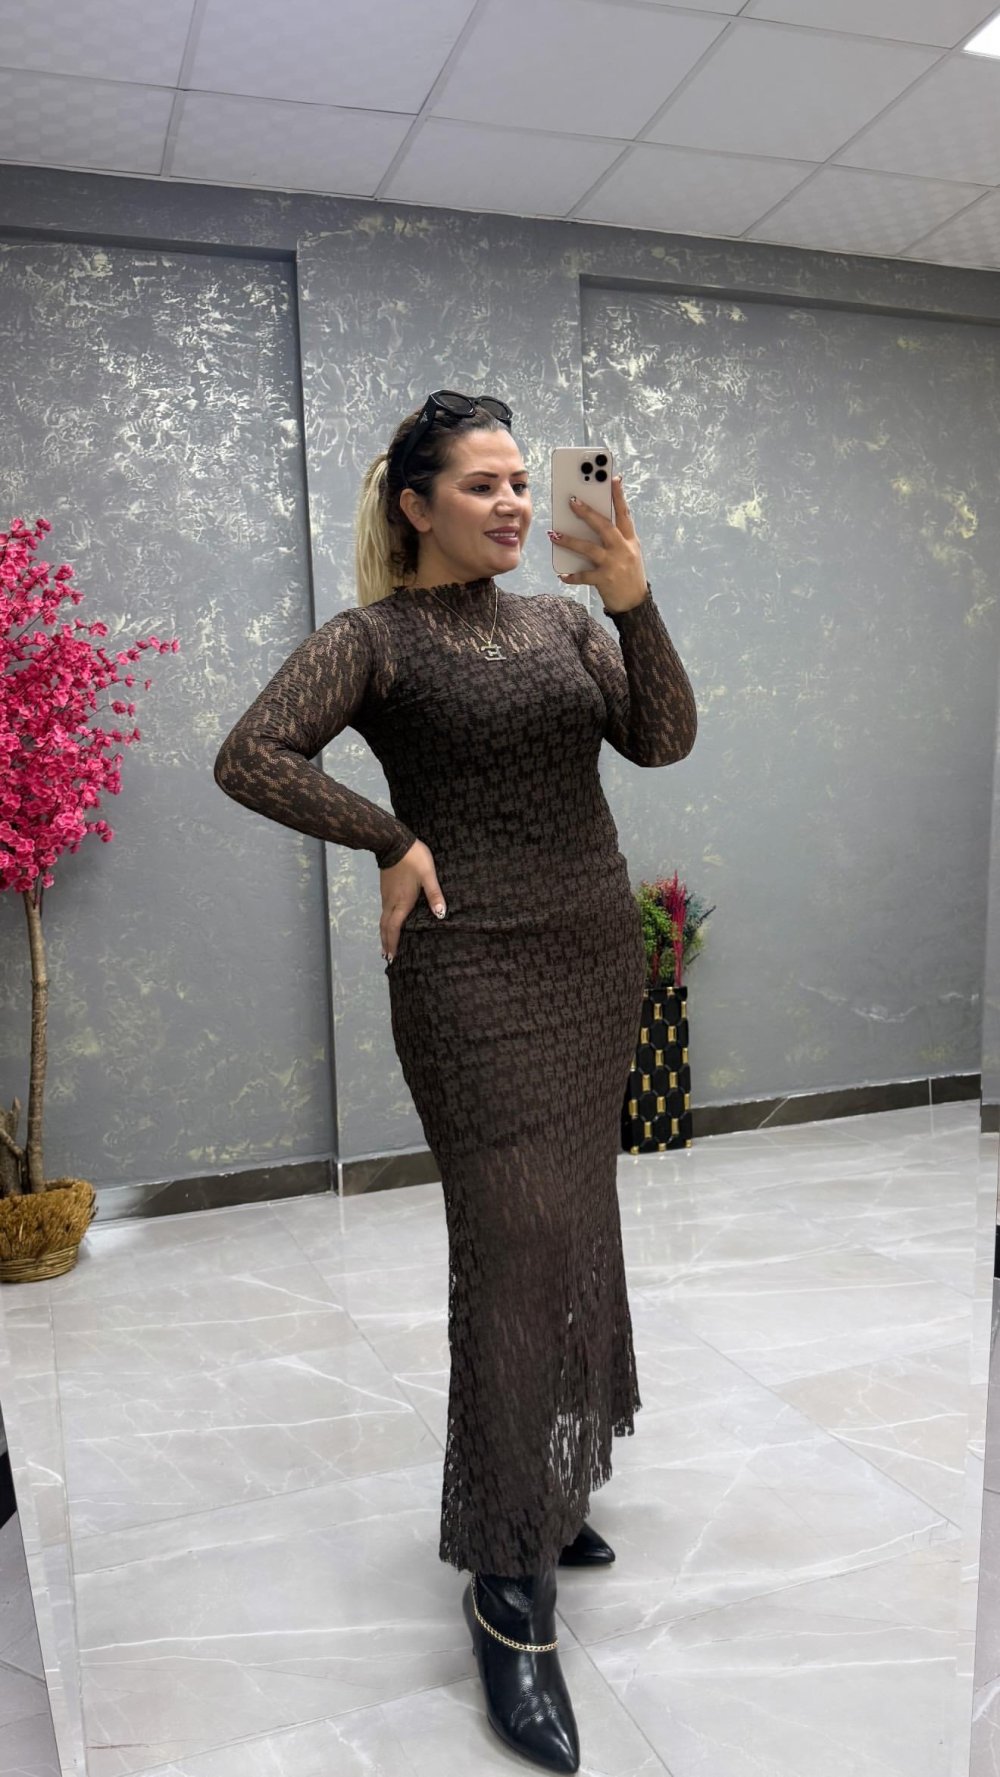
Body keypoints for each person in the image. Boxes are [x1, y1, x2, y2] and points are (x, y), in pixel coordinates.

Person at [213, 390, 698, 1773]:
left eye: (520, 481)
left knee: (575, 1217)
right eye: (482, 485)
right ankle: (502, 1582)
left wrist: (635, 602)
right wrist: (389, 835)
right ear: (415, 503)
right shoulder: (372, 640)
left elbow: (663, 739)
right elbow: (249, 755)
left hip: (591, 953)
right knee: (513, 1242)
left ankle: (551, 1481)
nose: (513, 503)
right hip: (467, 970)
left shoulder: (568, 624)